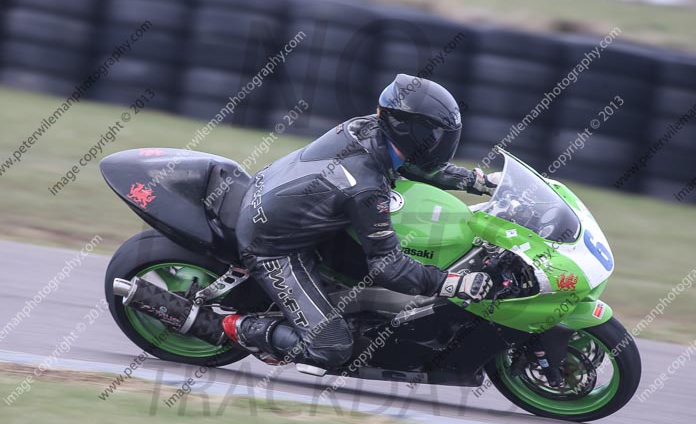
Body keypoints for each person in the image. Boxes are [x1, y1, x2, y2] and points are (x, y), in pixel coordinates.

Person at [192, 74, 499, 370]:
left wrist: (478, 181)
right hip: (272, 246)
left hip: (278, 198)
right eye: (435, 135)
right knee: (331, 348)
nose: (440, 142)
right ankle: (231, 326)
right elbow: (389, 267)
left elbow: (416, 165)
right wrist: (451, 283)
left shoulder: (369, 127)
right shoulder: (366, 186)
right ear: (411, 131)